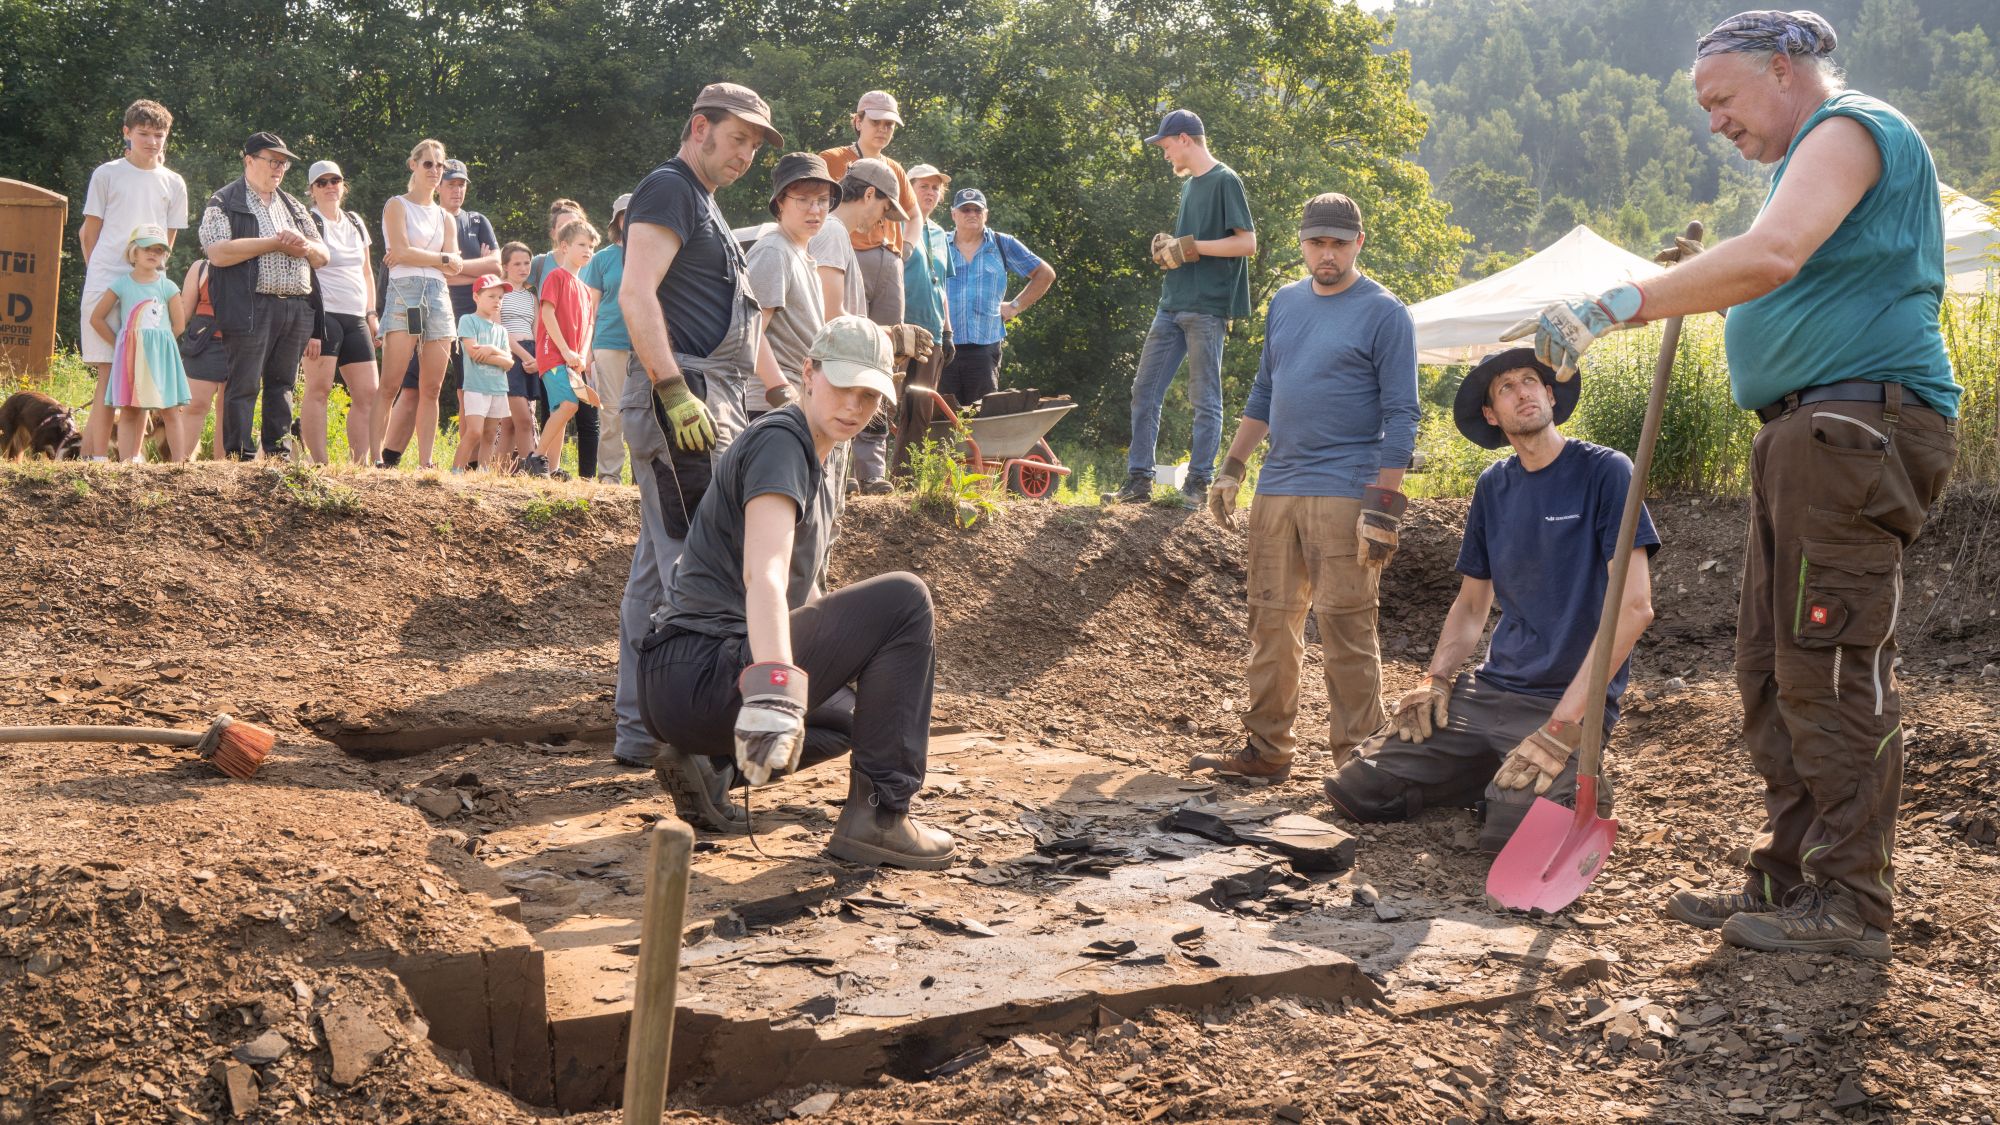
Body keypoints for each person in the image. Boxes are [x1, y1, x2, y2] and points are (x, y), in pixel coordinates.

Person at [1510, 10, 1960, 961]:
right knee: (1768, 663)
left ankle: (1850, 902)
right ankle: (1788, 875)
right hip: (1811, 434)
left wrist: (1615, 301)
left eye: (1721, 97)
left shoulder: (1849, 129)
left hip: (1854, 429)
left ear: (1787, 69)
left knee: (1826, 660)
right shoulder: (1808, 160)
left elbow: (1772, 257)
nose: (1714, 121)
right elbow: (1774, 265)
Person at [639, 316, 956, 869]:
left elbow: (804, 597)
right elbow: (763, 571)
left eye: (868, 394)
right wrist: (775, 692)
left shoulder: (824, 454)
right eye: (841, 386)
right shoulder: (782, 442)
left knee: (857, 718)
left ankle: (716, 768)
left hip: (684, 687)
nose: (854, 406)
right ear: (807, 373)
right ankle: (880, 818)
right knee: (907, 599)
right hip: (704, 669)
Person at [1323, 348, 1658, 852]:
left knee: (1512, 834)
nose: (1523, 391)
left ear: (1550, 394)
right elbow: (1471, 604)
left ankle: (1559, 784)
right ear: (1491, 414)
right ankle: (1487, 771)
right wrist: (1436, 680)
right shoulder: (1494, 486)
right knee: (1359, 788)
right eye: (1506, 387)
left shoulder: (1606, 472)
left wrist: (1563, 727)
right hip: (1490, 690)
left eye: (1532, 381)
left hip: (1564, 701)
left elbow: (1635, 608)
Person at [1192, 193, 1419, 781]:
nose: (1327, 254)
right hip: (1278, 485)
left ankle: (1361, 761)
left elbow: (1403, 414)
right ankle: (1268, 750)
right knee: (1269, 621)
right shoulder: (1286, 304)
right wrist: (1234, 465)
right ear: (1301, 243)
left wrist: (1385, 506)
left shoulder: (1385, 313)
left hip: (1348, 489)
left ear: (1358, 244)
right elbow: (1266, 391)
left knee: (1347, 625)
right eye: (1317, 243)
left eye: (1339, 244)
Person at [615, 81, 787, 823]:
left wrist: (778, 400)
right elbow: (635, 293)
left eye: (756, 143)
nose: (747, 153)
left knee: (657, 567)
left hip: (708, 394)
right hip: (680, 398)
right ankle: (687, 741)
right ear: (698, 127)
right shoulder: (669, 187)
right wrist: (673, 388)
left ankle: (635, 727)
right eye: (738, 137)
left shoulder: (705, 203)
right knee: (697, 569)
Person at [1115, 109, 1258, 507]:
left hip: (1207, 309)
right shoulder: (1189, 186)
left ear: (1184, 139)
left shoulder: (1225, 180)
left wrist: (1192, 247)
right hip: (1171, 304)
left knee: (1204, 398)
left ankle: (1198, 484)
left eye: (1165, 146)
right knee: (1144, 390)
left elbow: (1247, 244)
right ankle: (1139, 480)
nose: (1164, 155)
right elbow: (1188, 246)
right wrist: (1170, 248)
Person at [198, 131, 327, 461]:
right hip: (250, 305)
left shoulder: (294, 206)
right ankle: (240, 454)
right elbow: (218, 253)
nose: (279, 169)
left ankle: (278, 455)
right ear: (249, 160)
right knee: (243, 384)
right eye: (273, 161)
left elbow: (323, 256)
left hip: (296, 307)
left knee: (282, 385)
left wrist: (304, 244)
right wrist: (273, 242)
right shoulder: (224, 201)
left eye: (283, 163)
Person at [78, 99, 188, 462]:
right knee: (110, 374)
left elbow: (168, 241)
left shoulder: (173, 182)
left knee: (140, 372)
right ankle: (94, 460)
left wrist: (151, 279)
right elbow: (88, 234)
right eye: (144, 134)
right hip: (107, 279)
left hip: (149, 288)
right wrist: (102, 276)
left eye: (159, 135)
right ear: (126, 133)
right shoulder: (107, 174)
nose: (152, 142)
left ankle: (131, 460)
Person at [809, 158, 923, 493]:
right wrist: (887, 335)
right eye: (885, 209)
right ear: (869, 194)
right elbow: (830, 316)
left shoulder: (836, 235)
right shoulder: (831, 232)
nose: (880, 223)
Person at [374, 139, 460, 470]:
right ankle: (374, 458)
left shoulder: (446, 218)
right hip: (405, 292)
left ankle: (426, 463)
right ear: (413, 165)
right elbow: (401, 250)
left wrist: (425, 257)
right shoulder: (397, 205)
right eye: (429, 164)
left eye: (440, 165)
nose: (435, 171)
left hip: (438, 295)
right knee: (391, 383)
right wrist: (441, 258)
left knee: (432, 386)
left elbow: (457, 265)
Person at [941, 188, 1054, 406]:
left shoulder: (1002, 244)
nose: (972, 214)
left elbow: (1045, 274)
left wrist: (1015, 306)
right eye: (965, 209)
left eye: (977, 209)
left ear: (986, 214)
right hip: (944, 346)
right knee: (943, 419)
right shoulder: (938, 244)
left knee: (982, 417)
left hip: (984, 347)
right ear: (954, 214)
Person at [88, 224, 191, 461]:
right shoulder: (122, 285)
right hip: (130, 358)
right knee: (129, 410)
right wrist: (120, 345)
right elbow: (97, 318)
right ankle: (126, 464)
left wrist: (160, 347)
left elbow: (179, 324)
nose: (153, 253)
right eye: (147, 248)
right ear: (134, 251)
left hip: (160, 358)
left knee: (170, 410)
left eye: (159, 250)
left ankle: (178, 464)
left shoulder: (168, 286)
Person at [817, 91, 921, 325]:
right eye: (876, 122)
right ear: (858, 121)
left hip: (891, 261)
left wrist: (907, 248)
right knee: (848, 331)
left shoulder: (895, 168)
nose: (883, 129)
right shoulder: (831, 159)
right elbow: (812, 203)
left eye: (889, 124)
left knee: (891, 345)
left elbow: (915, 215)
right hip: (849, 254)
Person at [302, 160, 381, 465]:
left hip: (355, 316)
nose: (329, 187)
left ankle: (360, 465)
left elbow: (366, 271)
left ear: (342, 185)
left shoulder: (355, 221)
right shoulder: (309, 221)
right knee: (319, 389)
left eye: (334, 180)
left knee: (368, 393)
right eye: (321, 182)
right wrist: (309, 327)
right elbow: (303, 272)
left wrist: (372, 313)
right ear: (312, 190)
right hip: (323, 315)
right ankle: (319, 463)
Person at [747, 154, 840, 406]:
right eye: (803, 200)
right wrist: (782, 392)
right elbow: (750, 331)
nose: (815, 209)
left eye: (822, 200)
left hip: (802, 397)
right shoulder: (774, 251)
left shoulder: (801, 254)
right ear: (780, 203)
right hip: (770, 404)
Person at [528, 199, 600, 480]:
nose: (588, 251)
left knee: (563, 410)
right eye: (582, 245)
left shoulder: (584, 288)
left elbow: (589, 326)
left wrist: (581, 354)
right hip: (553, 355)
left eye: (591, 247)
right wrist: (566, 350)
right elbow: (547, 315)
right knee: (569, 405)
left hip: (572, 360)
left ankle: (552, 468)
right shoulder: (556, 276)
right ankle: (535, 458)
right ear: (564, 246)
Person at [895, 164, 957, 469]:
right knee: (889, 401)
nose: (931, 192)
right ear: (909, 188)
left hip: (932, 331)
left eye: (936, 188)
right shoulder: (896, 224)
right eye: (924, 186)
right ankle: (869, 478)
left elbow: (941, 284)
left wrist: (948, 332)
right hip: (900, 326)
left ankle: (905, 479)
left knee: (921, 408)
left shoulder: (941, 234)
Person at [578, 194, 634, 482]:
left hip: (645, 346)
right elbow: (590, 309)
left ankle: (644, 477)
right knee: (611, 414)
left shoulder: (653, 253)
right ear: (617, 222)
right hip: (609, 342)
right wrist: (586, 351)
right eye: (624, 215)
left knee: (644, 416)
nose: (630, 218)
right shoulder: (602, 259)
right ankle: (610, 477)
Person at [454, 274, 513, 472]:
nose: (497, 301)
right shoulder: (468, 320)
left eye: (500, 297)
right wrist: (499, 357)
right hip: (476, 387)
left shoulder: (501, 331)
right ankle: (456, 471)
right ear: (476, 297)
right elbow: (473, 353)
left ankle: (483, 473)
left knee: (490, 434)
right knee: (474, 432)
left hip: (498, 388)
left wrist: (491, 348)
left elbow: (510, 362)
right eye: (491, 296)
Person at [175, 256, 228, 459]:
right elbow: (184, 312)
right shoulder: (201, 267)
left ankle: (224, 467)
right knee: (195, 404)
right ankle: (180, 464)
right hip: (204, 340)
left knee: (230, 407)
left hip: (244, 340)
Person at [496, 242, 542, 472]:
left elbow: (538, 329)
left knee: (510, 423)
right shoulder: (500, 293)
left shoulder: (531, 297)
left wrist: (537, 360)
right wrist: (524, 356)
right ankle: (531, 471)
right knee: (523, 419)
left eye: (526, 263)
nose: (523, 268)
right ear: (505, 266)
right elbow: (500, 330)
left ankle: (497, 473)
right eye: (517, 264)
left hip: (531, 357)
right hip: (511, 357)